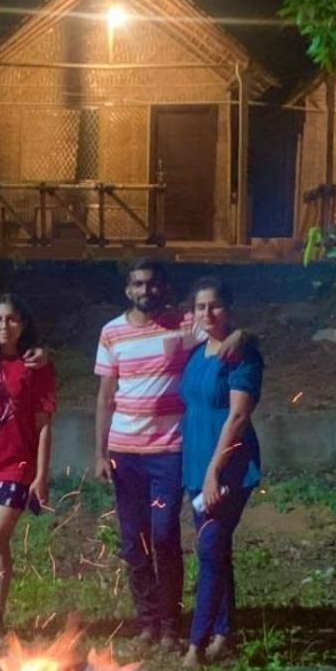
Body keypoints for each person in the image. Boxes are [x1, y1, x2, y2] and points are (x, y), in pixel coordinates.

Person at [93, 258, 243, 648]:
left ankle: (171, 621)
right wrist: (99, 451)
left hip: (169, 452)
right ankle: (148, 621)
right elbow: (106, 396)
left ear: (163, 287)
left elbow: (220, 329)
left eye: (153, 284)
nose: (146, 291)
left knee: (163, 535)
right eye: (138, 284)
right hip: (124, 453)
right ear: (128, 289)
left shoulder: (182, 324)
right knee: (133, 541)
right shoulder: (111, 333)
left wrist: (244, 337)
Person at [180, 277, 263, 669]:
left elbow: (238, 416)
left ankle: (196, 645)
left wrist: (214, 472)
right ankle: (224, 633)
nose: (207, 314)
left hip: (228, 465)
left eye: (214, 306)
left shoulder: (241, 355)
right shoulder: (198, 353)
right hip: (195, 463)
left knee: (209, 550)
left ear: (228, 308)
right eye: (200, 307)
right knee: (216, 550)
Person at [0, 293, 56, 638]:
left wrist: (41, 474)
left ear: (24, 324)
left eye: (11, 319)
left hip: (15, 466)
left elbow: (44, 422)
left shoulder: (36, 366)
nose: (4, 326)